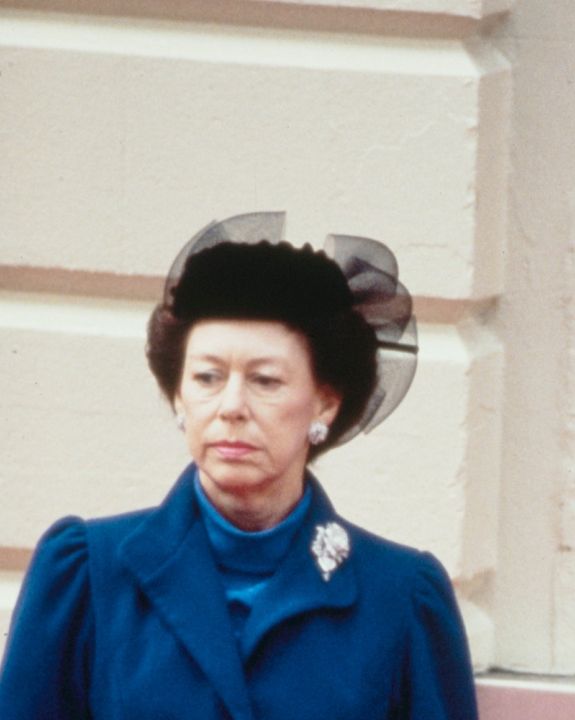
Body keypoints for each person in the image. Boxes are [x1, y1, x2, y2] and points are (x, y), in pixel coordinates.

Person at [0, 212, 478, 719]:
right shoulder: (88, 574)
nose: (230, 406)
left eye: (265, 381)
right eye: (207, 377)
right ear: (179, 396)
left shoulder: (399, 595)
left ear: (324, 403)